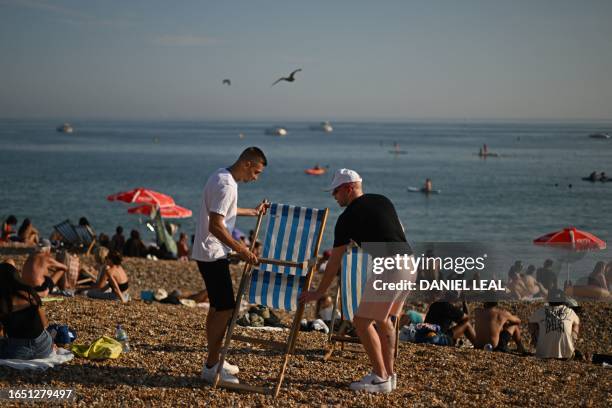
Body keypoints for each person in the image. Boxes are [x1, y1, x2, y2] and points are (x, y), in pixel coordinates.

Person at [300, 168, 413, 393]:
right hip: (409, 264)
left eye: (335, 191)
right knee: (383, 320)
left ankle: (381, 378)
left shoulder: (347, 218)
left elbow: (334, 263)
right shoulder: (383, 200)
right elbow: (399, 230)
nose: (334, 196)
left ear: (349, 188)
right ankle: (388, 376)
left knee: (361, 322)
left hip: (390, 266)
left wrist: (319, 292)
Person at [195, 147, 268, 385]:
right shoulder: (228, 185)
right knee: (225, 308)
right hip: (213, 252)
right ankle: (211, 365)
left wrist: (252, 211)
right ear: (247, 163)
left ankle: (213, 360)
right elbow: (217, 225)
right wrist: (242, 250)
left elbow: (222, 210)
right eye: (256, 172)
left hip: (206, 251)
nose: (255, 178)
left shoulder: (220, 175)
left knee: (218, 307)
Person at [0, 262, 54, 359]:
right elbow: (44, 323)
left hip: (19, 351)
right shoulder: (29, 293)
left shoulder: (2, 303)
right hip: (44, 346)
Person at [528, 289, 580, 359]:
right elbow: (577, 322)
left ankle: (541, 346)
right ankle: (570, 346)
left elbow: (530, 324)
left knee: (535, 324)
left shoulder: (541, 311)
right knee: (575, 324)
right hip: (566, 355)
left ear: (549, 300)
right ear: (563, 300)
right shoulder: (570, 311)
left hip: (543, 354)